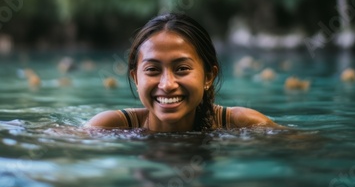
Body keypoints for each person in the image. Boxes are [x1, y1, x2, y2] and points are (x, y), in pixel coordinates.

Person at [86, 12, 283, 132]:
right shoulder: (109, 127)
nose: (167, 84)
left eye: (182, 69)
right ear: (136, 78)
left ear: (208, 76)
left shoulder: (243, 124)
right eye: (152, 70)